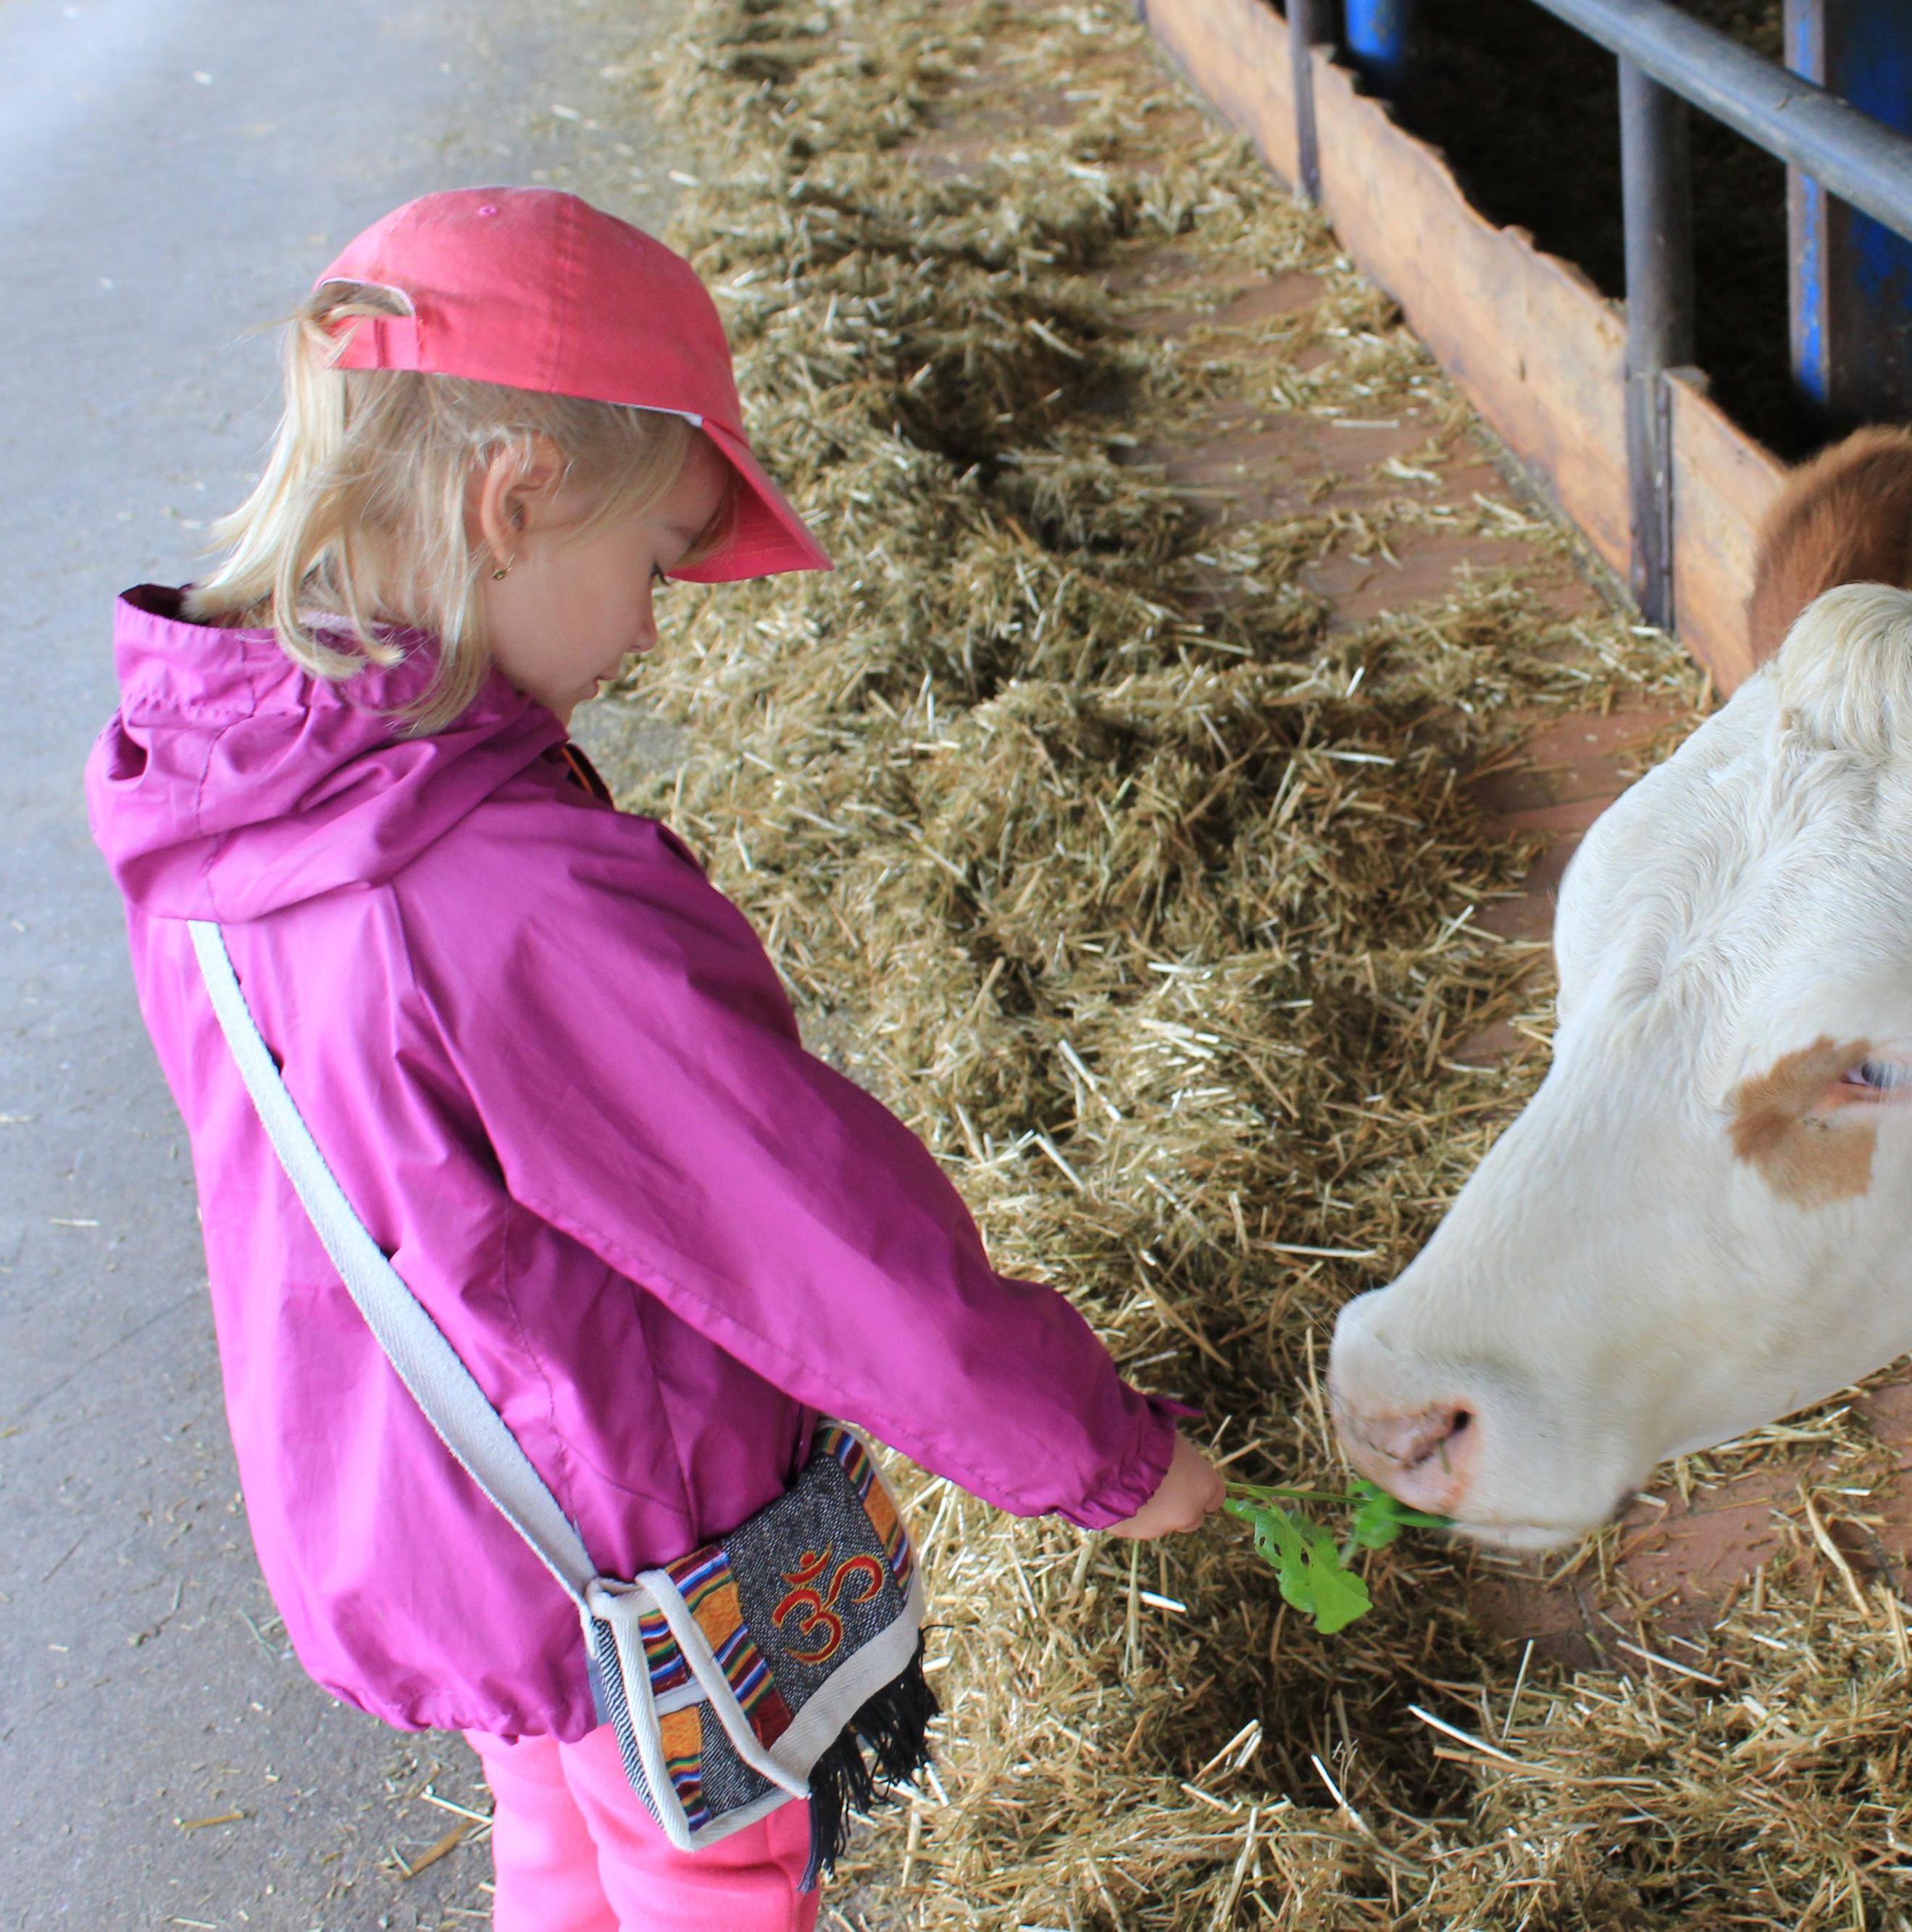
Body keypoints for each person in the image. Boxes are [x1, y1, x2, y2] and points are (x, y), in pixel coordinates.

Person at [84, 187, 1224, 1931]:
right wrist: (1102, 1458)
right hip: (627, 1540)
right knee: (714, 1867)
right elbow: (806, 1228)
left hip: (430, 1520)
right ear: (515, 495)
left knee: (556, 1834)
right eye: (655, 561)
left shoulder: (217, 799)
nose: (656, 624)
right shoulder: (504, 889)